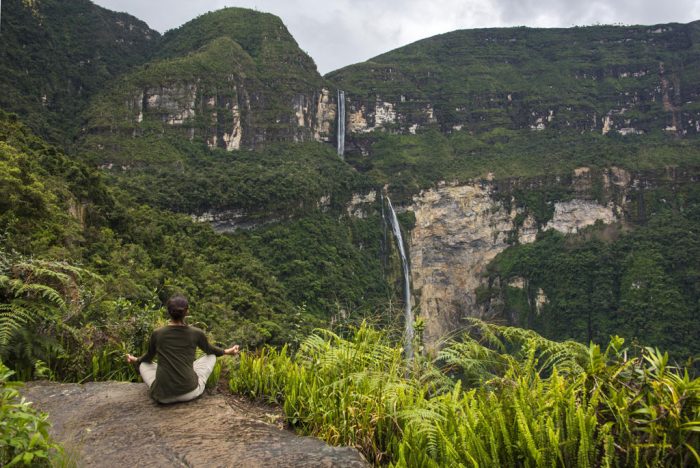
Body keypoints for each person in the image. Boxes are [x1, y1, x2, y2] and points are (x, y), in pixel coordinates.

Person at [126, 295, 240, 404]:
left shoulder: (158, 333)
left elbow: (148, 357)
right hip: (189, 392)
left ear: (168, 312)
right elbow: (211, 350)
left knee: (143, 364)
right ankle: (191, 377)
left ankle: (164, 380)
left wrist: (135, 360)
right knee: (211, 356)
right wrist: (227, 351)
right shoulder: (196, 333)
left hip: (162, 396)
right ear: (186, 311)